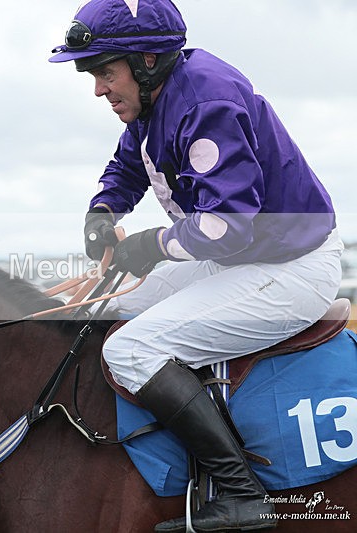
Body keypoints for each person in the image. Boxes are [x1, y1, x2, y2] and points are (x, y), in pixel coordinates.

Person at [49, 1, 343, 532]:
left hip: (289, 268)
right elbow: (126, 166)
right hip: (240, 261)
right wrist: (103, 212)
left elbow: (227, 226)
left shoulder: (206, 99)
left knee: (132, 348)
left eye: (104, 71)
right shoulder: (154, 101)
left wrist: (151, 244)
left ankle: (241, 494)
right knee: (99, 304)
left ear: (147, 61)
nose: (98, 88)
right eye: (92, 74)